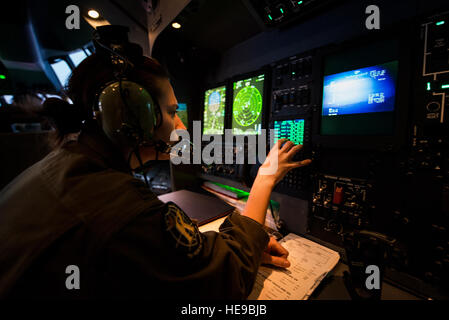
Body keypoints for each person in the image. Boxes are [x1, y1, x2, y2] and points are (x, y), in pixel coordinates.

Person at [0, 39, 311, 300]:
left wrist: (250, 244)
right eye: (172, 112)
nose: (181, 126)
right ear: (133, 117)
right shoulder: (119, 206)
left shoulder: (67, 164)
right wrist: (265, 178)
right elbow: (224, 282)